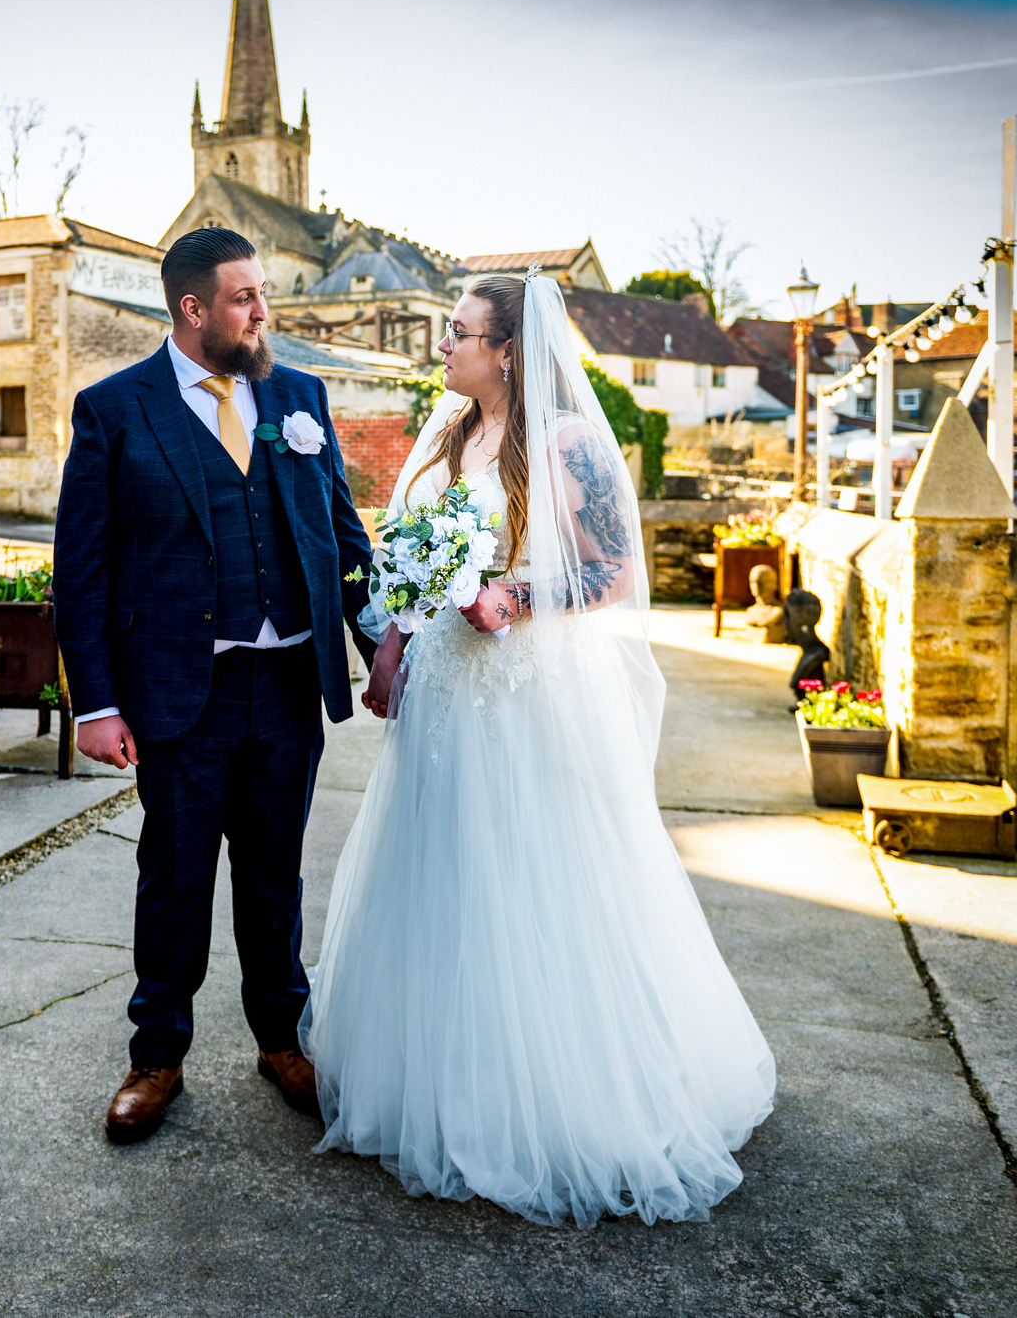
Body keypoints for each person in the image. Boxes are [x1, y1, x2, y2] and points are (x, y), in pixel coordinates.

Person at [300, 270, 777, 1226]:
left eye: (460, 332)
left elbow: (612, 571)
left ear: (508, 350)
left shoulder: (563, 442)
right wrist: (390, 649)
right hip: (441, 693)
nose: (444, 345)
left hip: (523, 696)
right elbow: (408, 558)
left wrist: (514, 598)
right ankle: (442, 1075)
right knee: (441, 875)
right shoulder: (443, 435)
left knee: (527, 878)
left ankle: (546, 1095)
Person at [53, 227, 376, 1145]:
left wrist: (381, 642)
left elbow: (343, 543)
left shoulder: (297, 395)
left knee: (275, 875)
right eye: (244, 298)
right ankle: (156, 1056)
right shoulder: (115, 410)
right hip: (176, 694)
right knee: (175, 879)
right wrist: (98, 701)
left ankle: (283, 1040)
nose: (262, 312)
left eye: (261, 293)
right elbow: (83, 568)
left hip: (285, 683)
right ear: (192, 309)